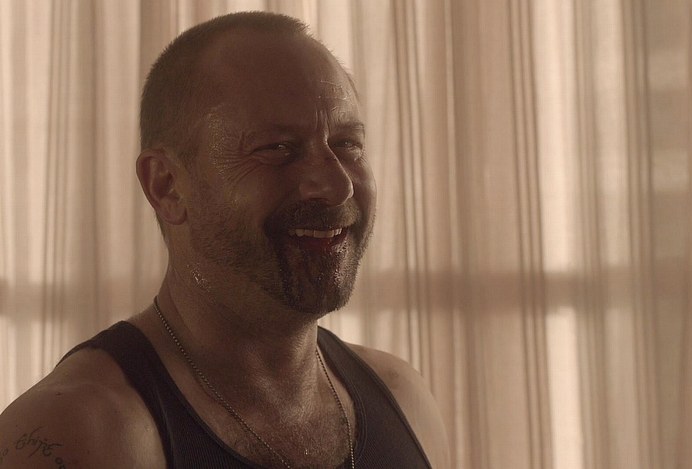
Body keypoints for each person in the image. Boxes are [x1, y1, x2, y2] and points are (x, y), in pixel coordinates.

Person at [0, 12, 449, 469]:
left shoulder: (403, 398)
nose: (337, 186)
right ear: (167, 186)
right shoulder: (82, 432)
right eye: (277, 148)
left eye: (347, 144)